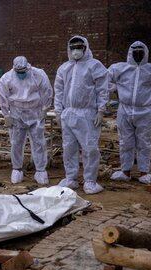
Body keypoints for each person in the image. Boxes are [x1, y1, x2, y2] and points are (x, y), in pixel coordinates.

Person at [108, 41, 151, 184]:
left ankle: (144, 172)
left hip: (145, 110)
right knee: (125, 141)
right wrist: (116, 89)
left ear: (145, 53)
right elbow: (105, 80)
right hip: (125, 109)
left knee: (144, 142)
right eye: (134, 52)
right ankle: (125, 171)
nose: (137, 54)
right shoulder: (120, 68)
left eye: (140, 52)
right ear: (130, 53)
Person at [54, 35, 109, 194]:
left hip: (87, 114)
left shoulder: (95, 66)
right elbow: (58, 91)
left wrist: (101, 110)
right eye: (73, 47)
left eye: (79, 47)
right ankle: (71, 178)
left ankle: (90, 181)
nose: (76, 50)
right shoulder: (64, 68)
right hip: (68, 113)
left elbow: (102, 90)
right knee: (68, 148)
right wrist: (58, 111)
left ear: (86, 48)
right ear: (69, 49)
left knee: (90, 148)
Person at [0, 56, 53, 185]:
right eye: (19, 72)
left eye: (23, 71)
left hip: (36, 112)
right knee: (16, 143)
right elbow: (3, 97)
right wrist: (6, 115)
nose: (21, 74)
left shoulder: (38, 74)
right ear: (14, 68)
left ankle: (40, 171)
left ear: (28, 67)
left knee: (39, 142)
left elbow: (47, 91)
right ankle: (17, 169)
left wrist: (45, 108)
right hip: (17, 113)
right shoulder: (7, 78)